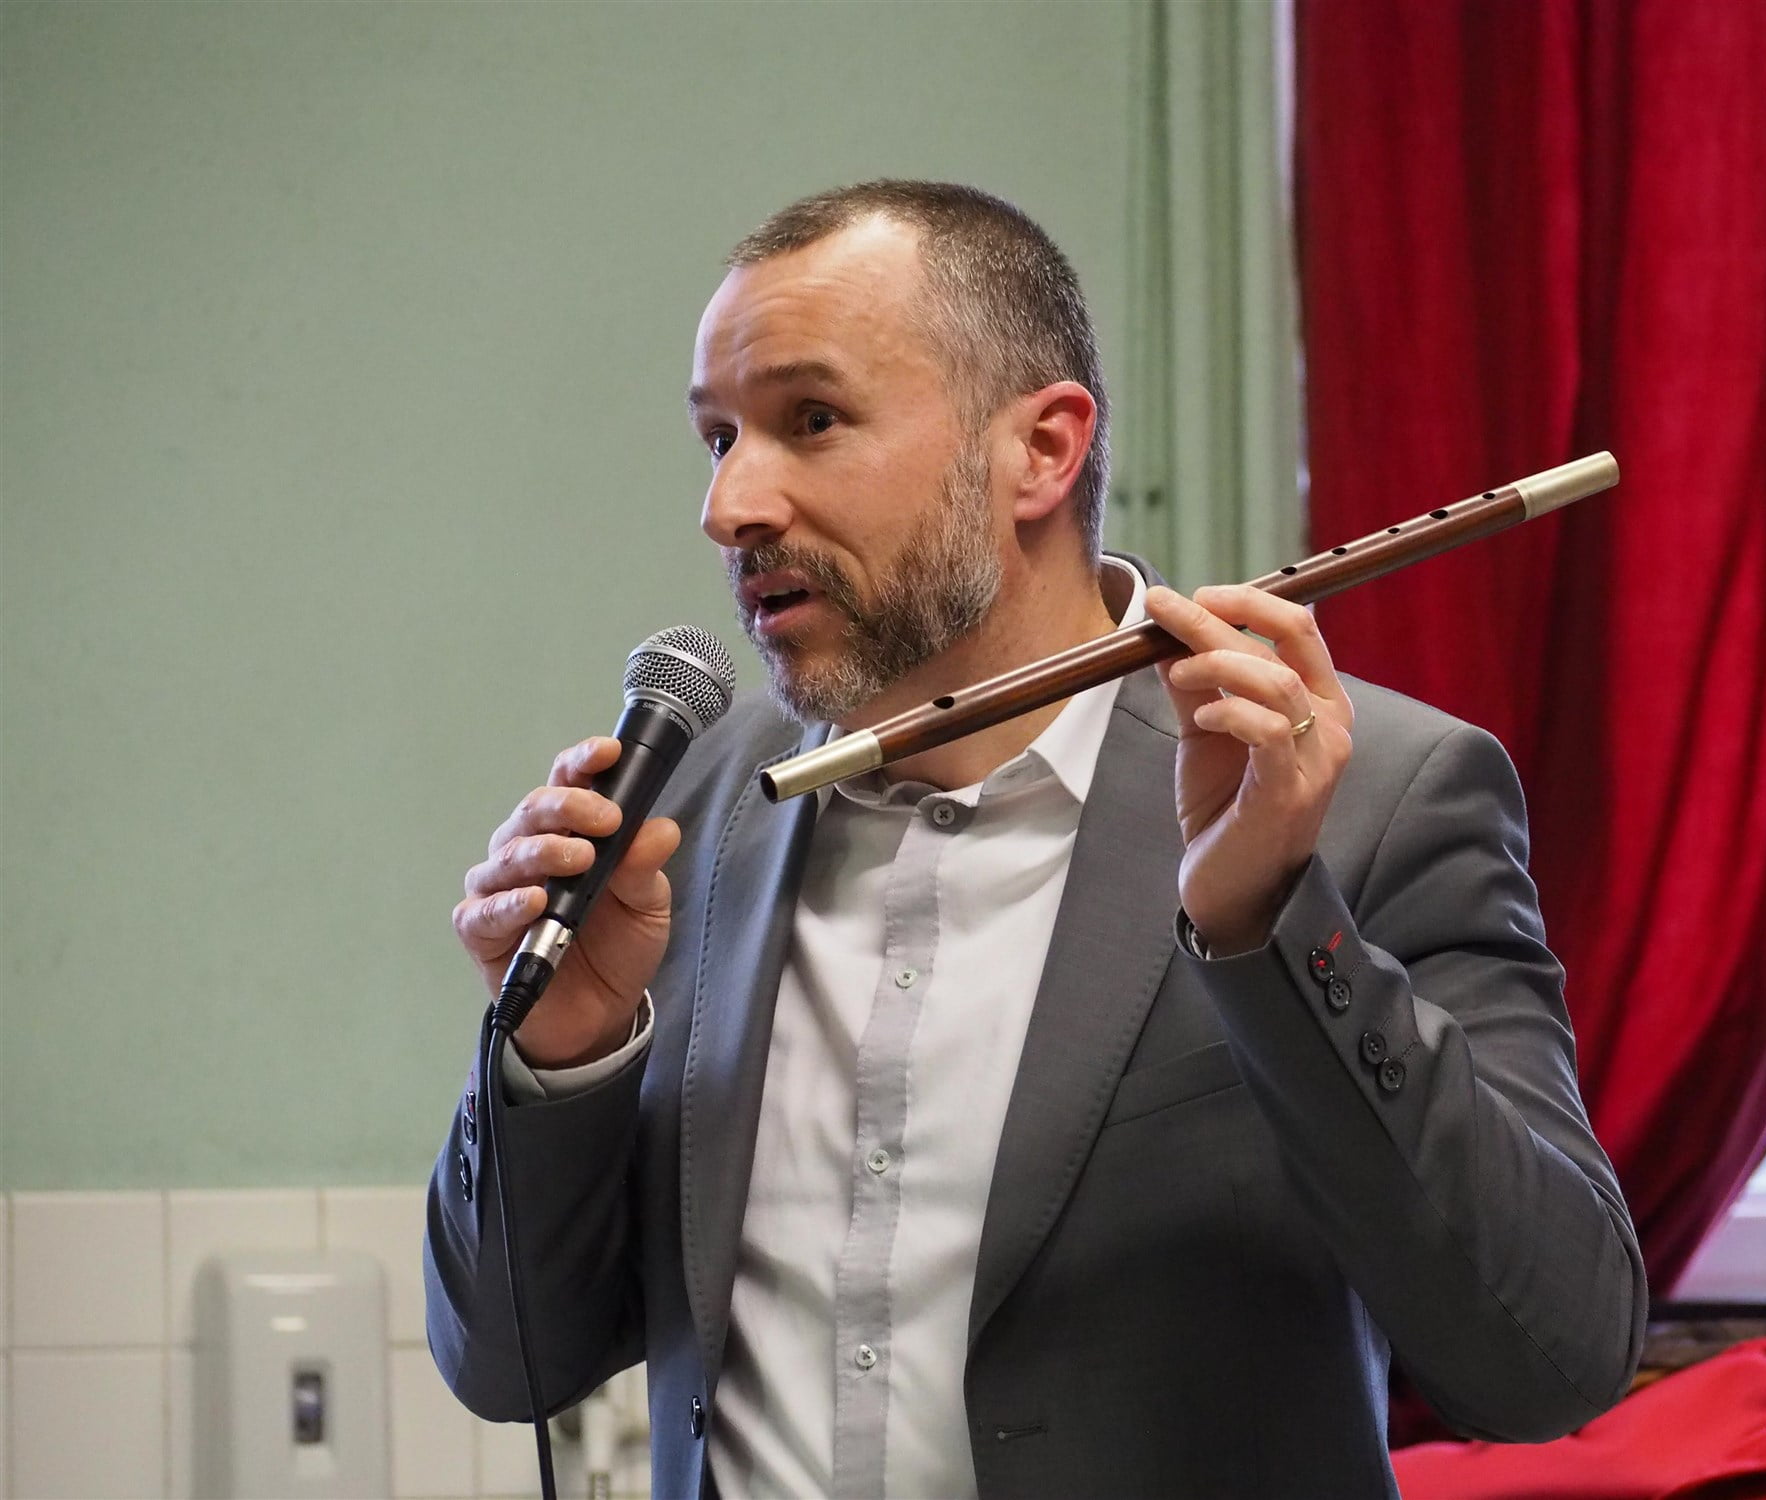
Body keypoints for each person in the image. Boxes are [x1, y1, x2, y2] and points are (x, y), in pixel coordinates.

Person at [425, 180, 1646, 1500]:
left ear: (1043, 452)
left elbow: (1553, 1358)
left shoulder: (1376, 796)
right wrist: (566, 1054)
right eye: (719, 438)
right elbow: (507, 1364)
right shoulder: (698, 808)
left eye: (811, 420)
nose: (731, 505)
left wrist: (1269, 925)